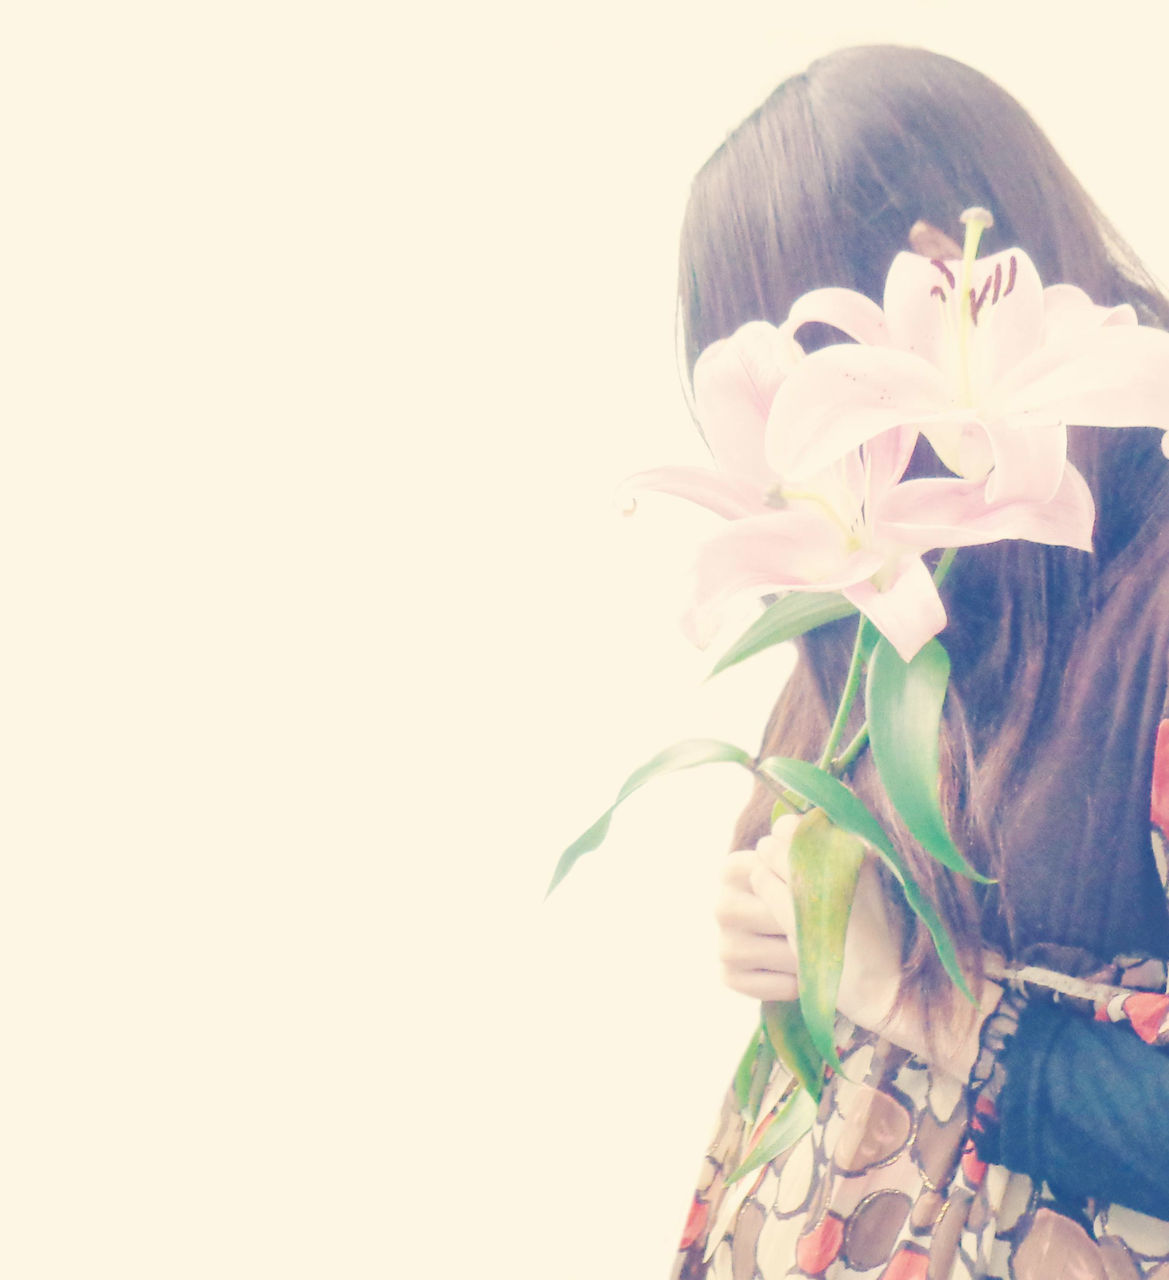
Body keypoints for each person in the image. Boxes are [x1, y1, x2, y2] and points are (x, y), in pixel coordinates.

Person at [671, 46, 1169, 1280]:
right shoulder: (915, 572)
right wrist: (772, 923)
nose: (794, 455)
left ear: (943, 281)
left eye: (804, 385)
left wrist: (921, 1002)